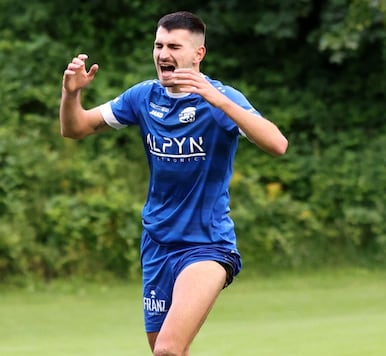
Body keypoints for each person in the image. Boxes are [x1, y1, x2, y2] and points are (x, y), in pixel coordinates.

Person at [59, 11, 288, 356]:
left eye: (174, 46)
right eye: (158, 45)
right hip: (157, 243)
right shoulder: (143, 97)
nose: (163, 54)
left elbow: (277, 144)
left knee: (167, 349)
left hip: (207, 245)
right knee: (167, 352)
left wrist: (218, 100)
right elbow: (75, 128)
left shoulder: (220, 100)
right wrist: (71, 94)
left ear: (198, 54)